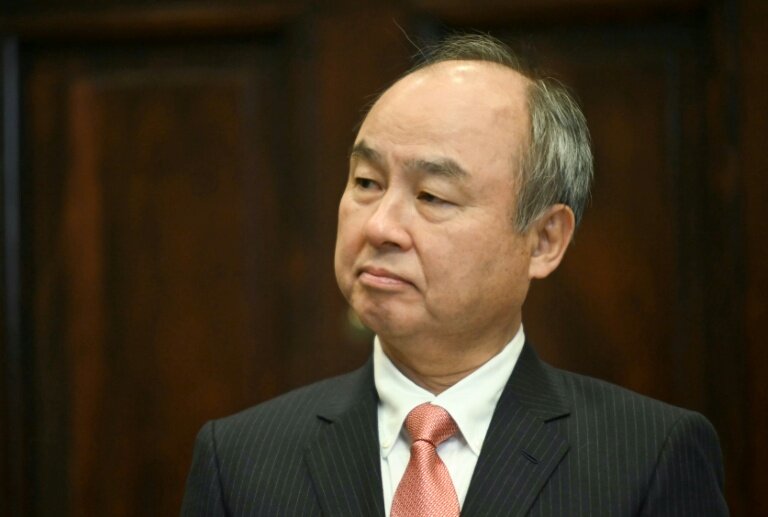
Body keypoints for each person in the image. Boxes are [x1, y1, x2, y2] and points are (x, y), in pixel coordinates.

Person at [181, 34, 728, 516]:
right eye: (367, 182)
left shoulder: (647, 457)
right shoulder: (241, 459)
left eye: (432, 195)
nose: (381, 226)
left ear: (544, 240)